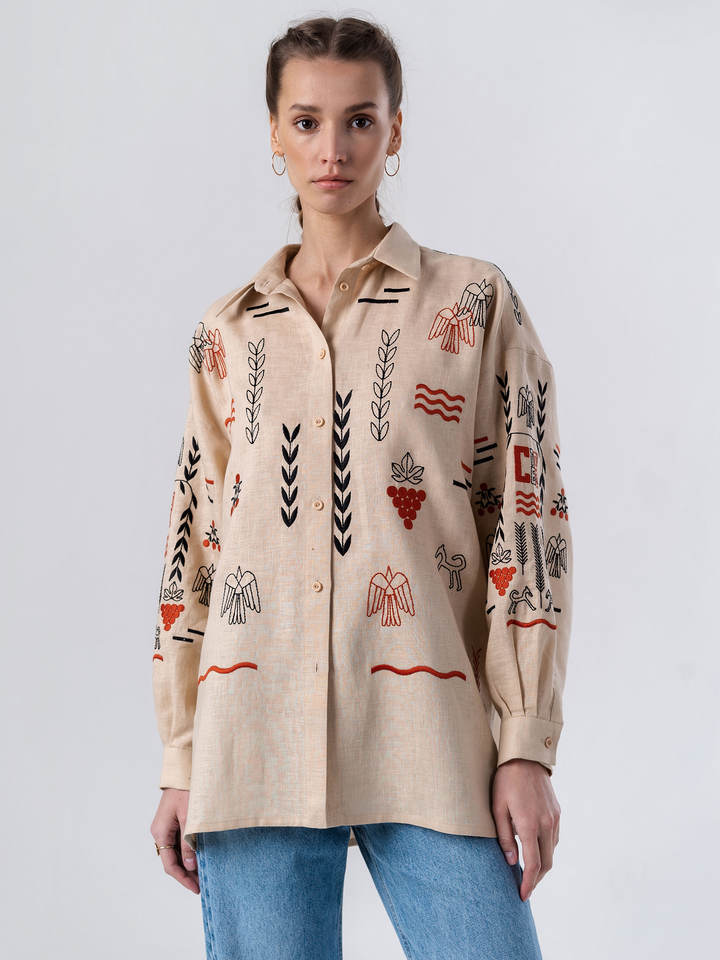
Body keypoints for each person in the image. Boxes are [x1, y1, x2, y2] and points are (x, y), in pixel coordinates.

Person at [149, 15, 572, 960]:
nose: (331, 149)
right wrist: (181, 760)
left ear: (395, 128)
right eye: (306, 122)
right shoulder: (228, 333)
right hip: (251, 747)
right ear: (273, 131)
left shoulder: (473, 304)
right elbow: (195, 552)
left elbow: (528, 526)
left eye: (359, 120)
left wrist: (525, 745)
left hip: (429, 737)